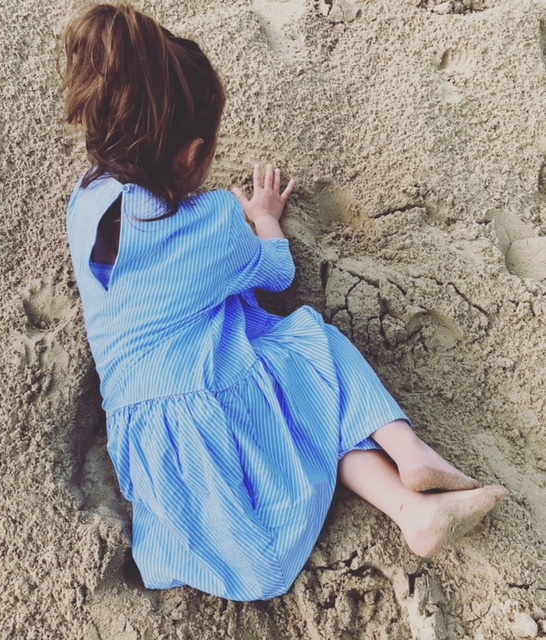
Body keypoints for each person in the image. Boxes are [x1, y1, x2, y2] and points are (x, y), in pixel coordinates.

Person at [61, 3, 507, 602]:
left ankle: (415, 510)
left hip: (154, 448)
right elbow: (277, 272)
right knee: (312, 346)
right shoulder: (215, 222)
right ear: (192, 156)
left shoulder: (86, 204)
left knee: (279, 375)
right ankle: (407, 452)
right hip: (217, 415)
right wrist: (265, 218)